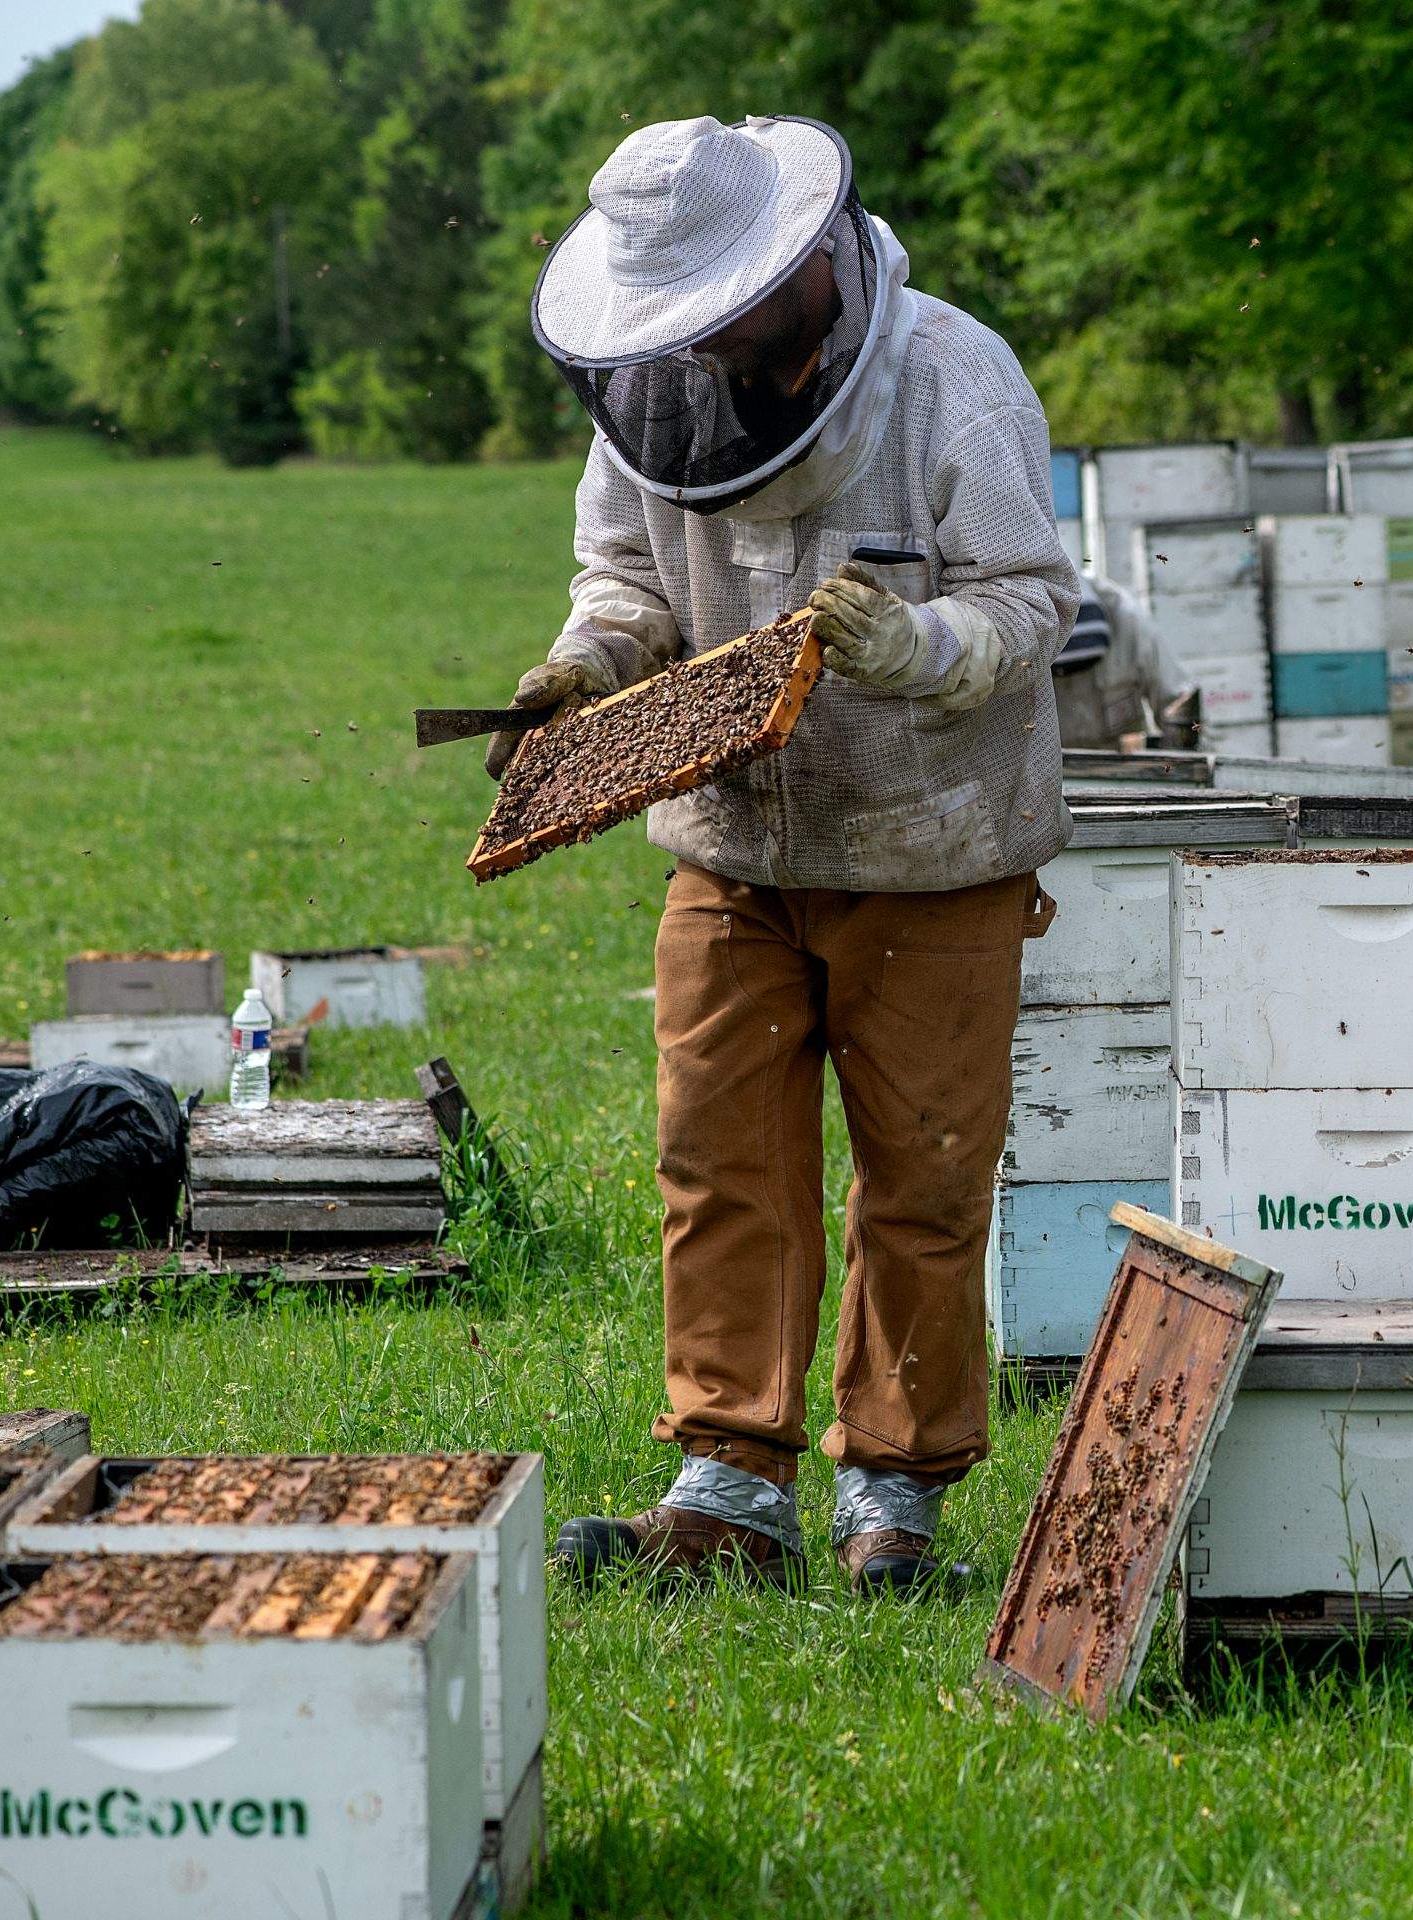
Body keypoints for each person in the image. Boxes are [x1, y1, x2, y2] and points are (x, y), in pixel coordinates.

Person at [494, 115, 1077, 1594]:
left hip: (935, 850)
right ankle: (727, 1493)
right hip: (732, 846)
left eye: (726, 309)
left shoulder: (953, 375)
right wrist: (588, 663)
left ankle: (898, 1501)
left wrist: (917, 642)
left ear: (809, 261)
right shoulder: (652, 395)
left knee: (923, 1178)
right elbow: (623, 576)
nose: (704, 345)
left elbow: (1030, 602)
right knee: (719, 1159)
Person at [1052, 570, 1199, 751]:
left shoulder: (1127, 618)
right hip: (1049, 772)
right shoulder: (1017, 626)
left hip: (1128, 770)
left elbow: (1180, 704)